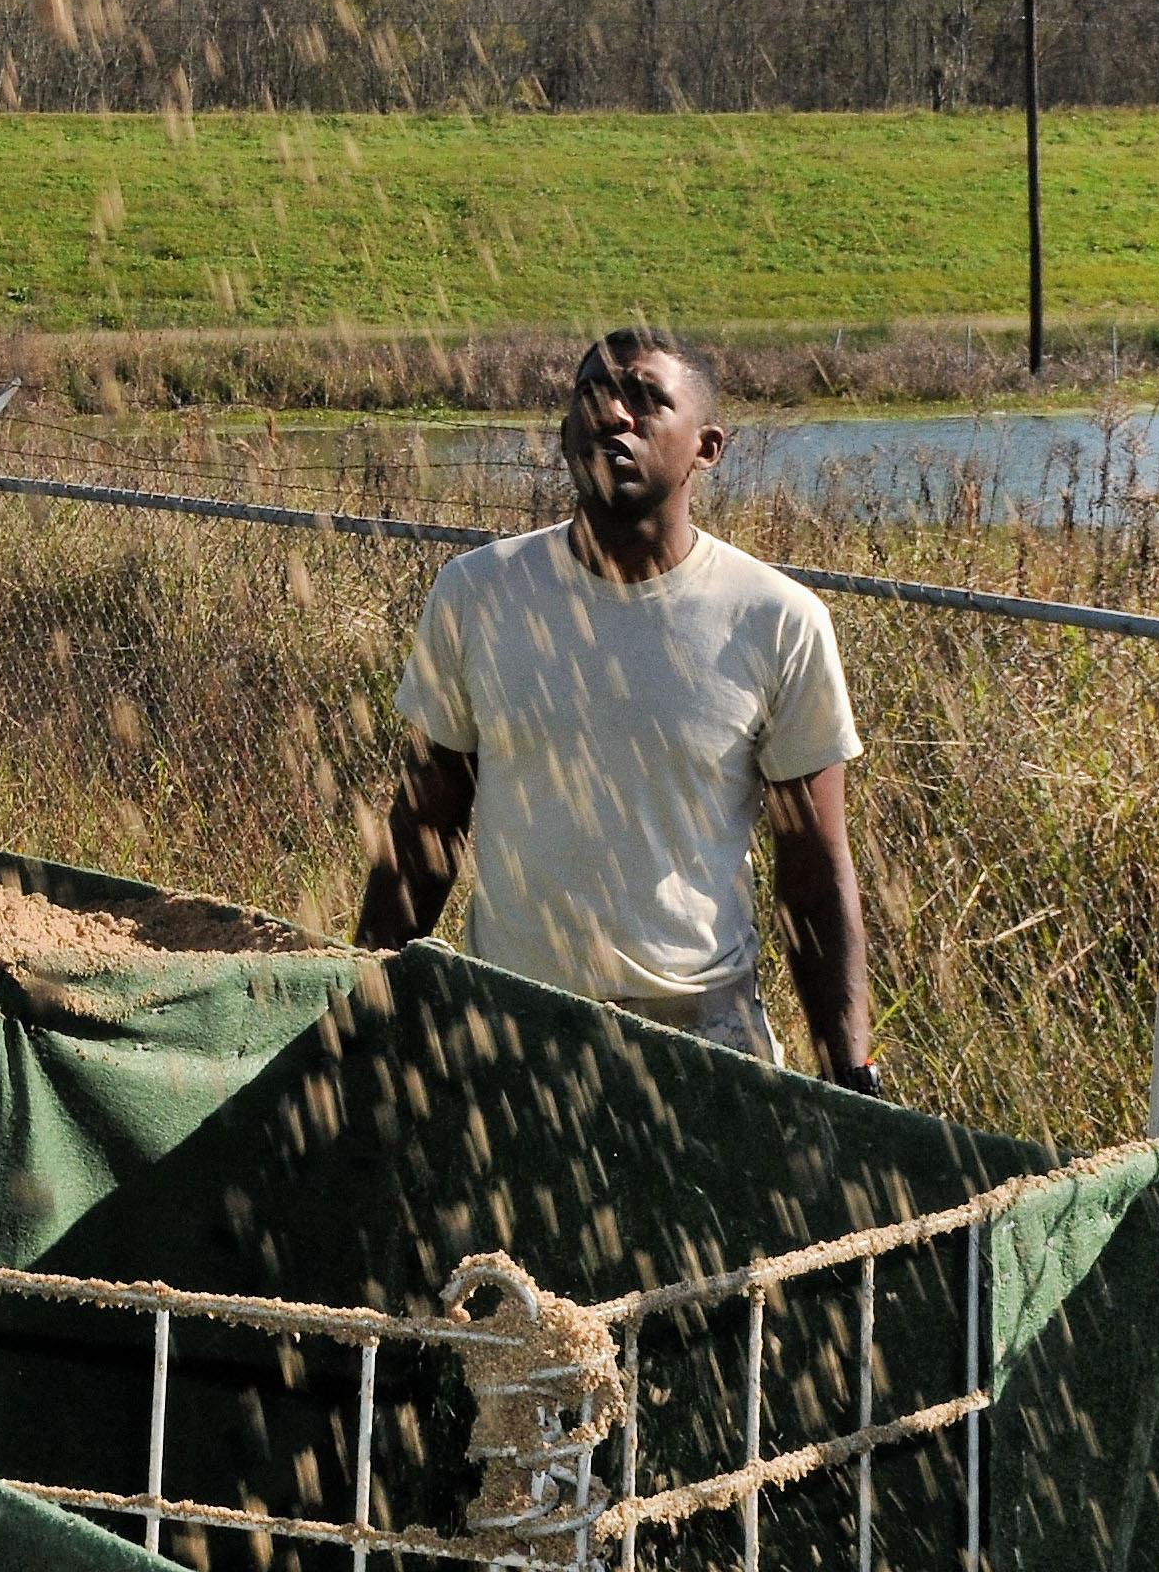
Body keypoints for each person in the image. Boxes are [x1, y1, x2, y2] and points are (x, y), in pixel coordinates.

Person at [359, 331, 882, 1092]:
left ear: (707, 448)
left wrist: (850, 1071)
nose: (611, 416)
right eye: (592, 395)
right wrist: (361, 1000)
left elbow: (813, 867)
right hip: (514, 1015)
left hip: (701, 1032)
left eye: (644, 399)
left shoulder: (774, 621)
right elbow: (426, 822)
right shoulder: (480, 595)